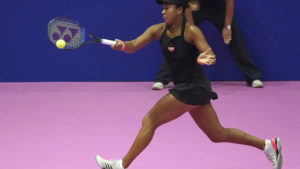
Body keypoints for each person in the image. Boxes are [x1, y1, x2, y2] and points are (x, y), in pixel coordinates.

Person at [95, 0, 282, 169]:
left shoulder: (191, 31)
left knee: (149, 121)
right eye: (162, 8)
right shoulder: (158, 30)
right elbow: (133, 45)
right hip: (189, 89)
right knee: (217, 134)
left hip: (193, 88)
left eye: (167, 8)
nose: (163, 12)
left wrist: (203, 58)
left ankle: (121, 165)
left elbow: (210, 55)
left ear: (179, 10)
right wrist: (122, 45)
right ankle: (268, 145)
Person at [152, 0, 264, 90]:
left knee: (234, 38)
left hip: (218, 7)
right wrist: (191, 31)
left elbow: (229, 1)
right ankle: (162, 79)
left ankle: (253, 77)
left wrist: (227, 27)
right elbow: (188, 8)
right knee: (181, 38)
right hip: (196, 7)